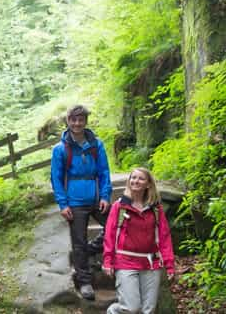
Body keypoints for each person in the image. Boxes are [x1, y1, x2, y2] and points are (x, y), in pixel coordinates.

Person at [50, 104, 112, 300]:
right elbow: (56, 178)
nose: (77, 123)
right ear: (68, 121)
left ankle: (92, 249)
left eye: (81, 119)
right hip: (74, 202)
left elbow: (104, 172)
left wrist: (105, 196)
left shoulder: (96, 145)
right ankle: (85, 282)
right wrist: (63, 204)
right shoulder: (60, 149)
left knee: (116, 225)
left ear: (86, 121)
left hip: (95, 198)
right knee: (78, 243)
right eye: (73, 119)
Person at [102, 167, 175, 314]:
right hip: (125, 261)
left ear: (148, 184)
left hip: (151, 263)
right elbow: (109, 235)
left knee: (148, 310)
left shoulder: (155, 209)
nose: (135, 181)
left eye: (140, 178)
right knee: (131, 308)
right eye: (133, 178)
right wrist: (108, 261)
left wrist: (169, 264)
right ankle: (112, 311)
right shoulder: (119, 206)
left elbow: (164, 237)